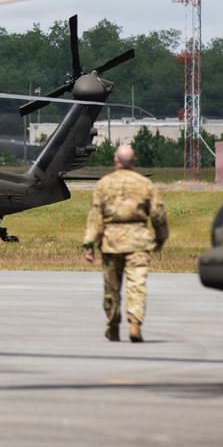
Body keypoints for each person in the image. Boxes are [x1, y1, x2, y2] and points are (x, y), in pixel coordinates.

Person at [83, 144, 169, 343]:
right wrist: (161, 237)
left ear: (115, 162)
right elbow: (158, 212)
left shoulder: (103, 184)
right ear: (134, 162)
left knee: (111, 287)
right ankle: (134, 324)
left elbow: (96, 216)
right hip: (138, 240)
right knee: (137, 285)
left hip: (111, 241)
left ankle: (113, 324)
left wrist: (89, 244)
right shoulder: (145, 184)